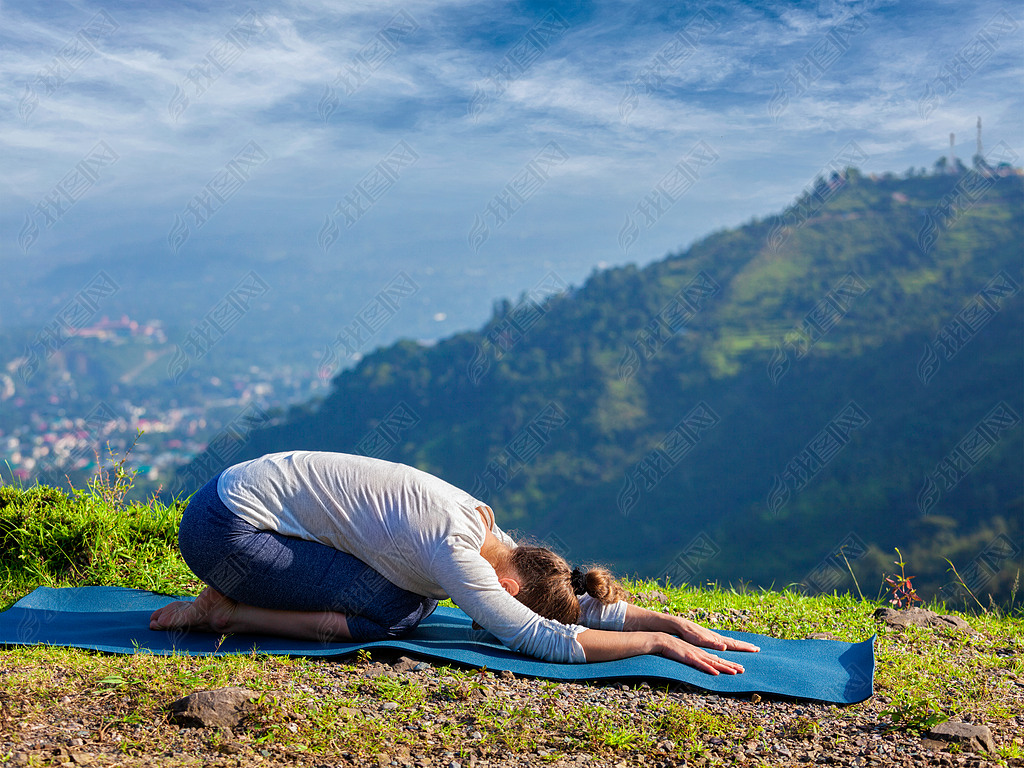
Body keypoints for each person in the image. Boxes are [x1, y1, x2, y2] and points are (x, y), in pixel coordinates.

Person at [150, 450, 758, 674]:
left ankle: (230, 606)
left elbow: (570, 604)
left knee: (407, 598)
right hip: (225, 533)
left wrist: (670, 621)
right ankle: (226, 613)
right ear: (504, 585)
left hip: (236, 497)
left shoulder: (493, 532)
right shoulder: (457, 552)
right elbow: (545, 638)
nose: (478, 617)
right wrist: (655, 645)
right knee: (393, 609)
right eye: (487, 609)